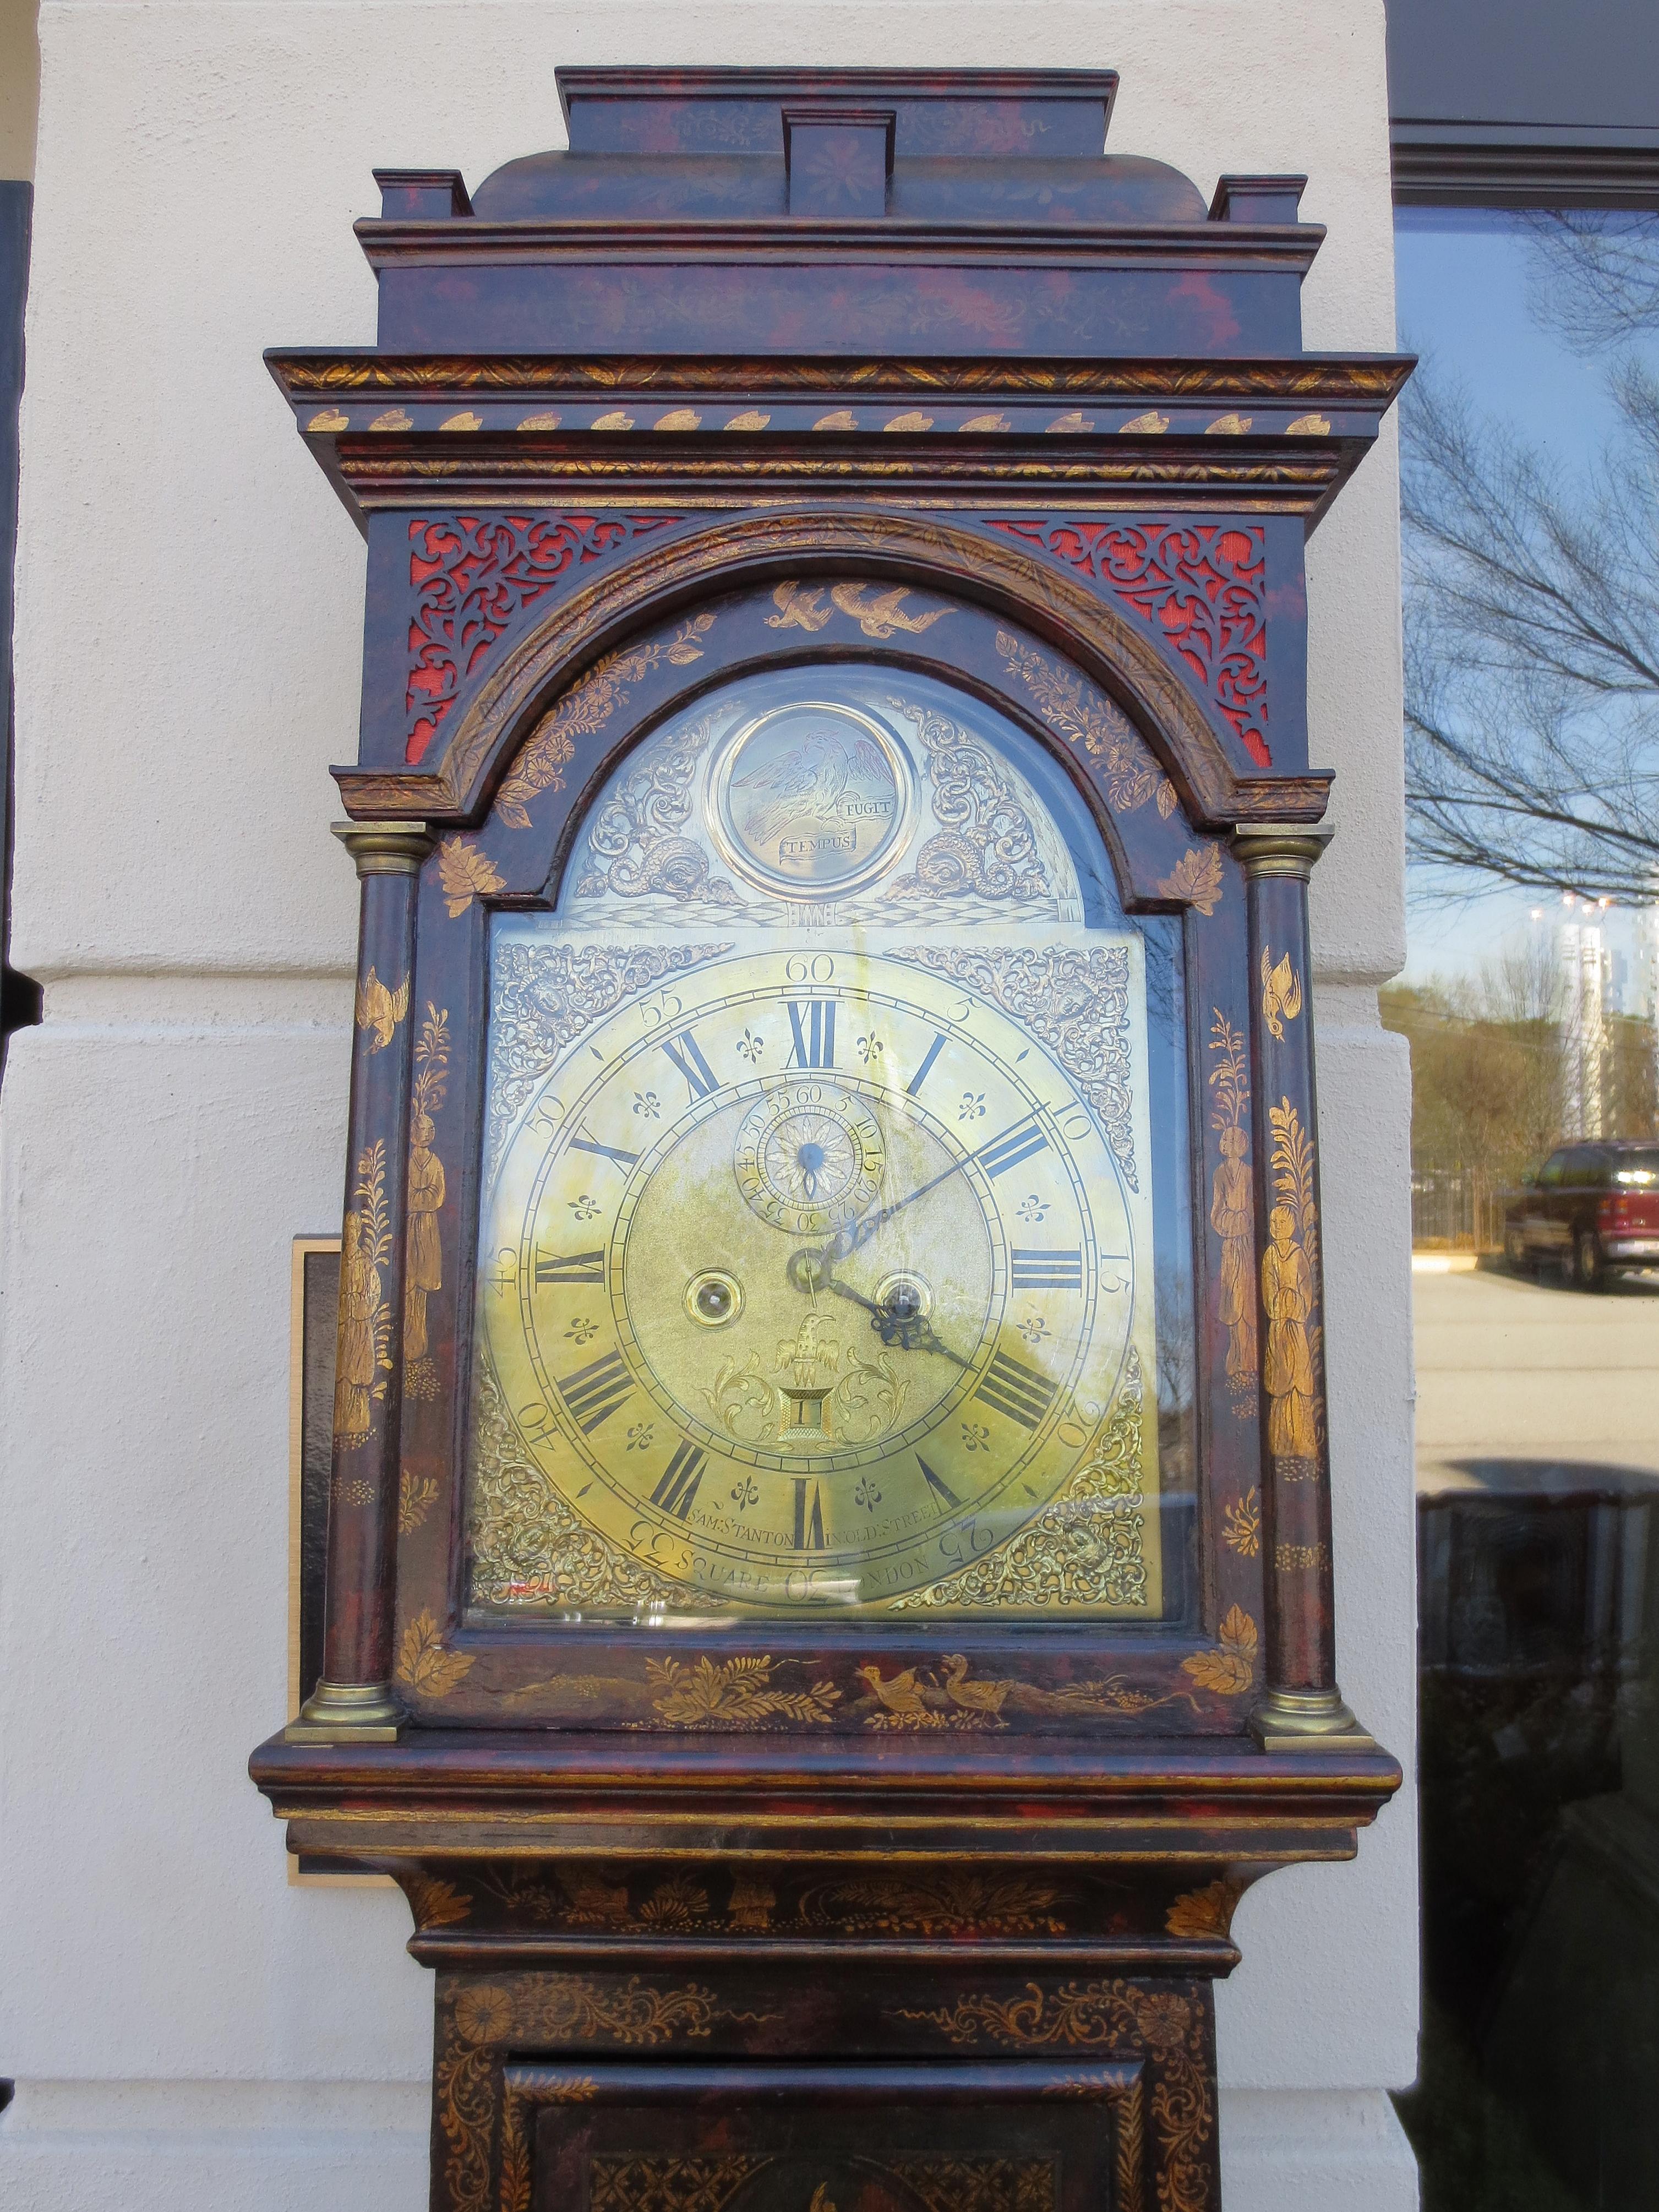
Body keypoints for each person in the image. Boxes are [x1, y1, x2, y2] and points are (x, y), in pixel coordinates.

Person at [1260, 1201, 1317, 1464]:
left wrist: (1295, 1303)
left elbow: (1306, 1289)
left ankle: (1301, 1442)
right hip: (1279, 1328)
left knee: (1299, 1381)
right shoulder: (1270, 1255)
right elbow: (1269, 1290)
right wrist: (1280, 1302)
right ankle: (1281, 1444)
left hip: (1297, 1327)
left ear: (1292, 1226)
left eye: (1282, 1223)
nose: (1277, 1228)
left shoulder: (1298, 1254)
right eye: (1273, 1223)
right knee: (1280, 1379)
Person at [1210, 1123, 1256, 1388]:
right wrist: (1231, 1223)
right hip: (1230, 1246)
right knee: (1231, 1299)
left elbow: (1252, 1209)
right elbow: (1216, 1212)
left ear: (1242, 1145)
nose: (1225, 1144)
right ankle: (1235, 1359)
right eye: (1224, 1140)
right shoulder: (1219, 1174)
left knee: (1246, 1302)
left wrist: (1242, 1222)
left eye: (1231, 1140)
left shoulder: (1249, 1174)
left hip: (1247, 1246)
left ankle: (1248, 1360)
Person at [405, 1110, 445, 1363]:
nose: (427, 1133)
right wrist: (421, 1200)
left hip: (428, 1230)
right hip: (409, 1229)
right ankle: (408, 1344)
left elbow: (437, 1197)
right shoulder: (406, 1162)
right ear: (412, 1133)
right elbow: (406, 1196)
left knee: (423, 1287)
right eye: (422, 1129)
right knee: (408, 1284)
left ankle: (418, 1345)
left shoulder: (435, 1163)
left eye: (431, 1129)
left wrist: (418, 1200)